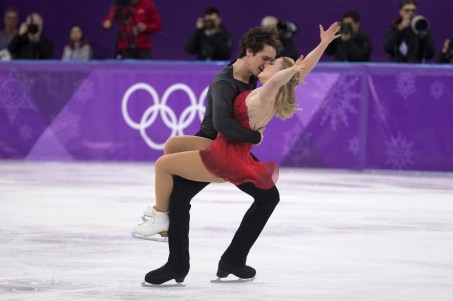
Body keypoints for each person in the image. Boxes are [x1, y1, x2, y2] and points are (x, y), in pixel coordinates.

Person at [139, 22, 341, 285]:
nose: (266, 65)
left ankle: (227, 259)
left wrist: (322, 45)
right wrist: (255, 136)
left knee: (267, 198)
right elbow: (222, 125)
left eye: (270, 61)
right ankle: (176, 257)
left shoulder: (263, 80)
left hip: (231, 150)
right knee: (174, 161)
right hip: (214, 143)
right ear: (248, 52)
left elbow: (293, 75)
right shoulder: (225, 82)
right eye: (264, 59)